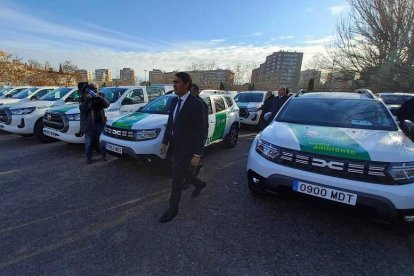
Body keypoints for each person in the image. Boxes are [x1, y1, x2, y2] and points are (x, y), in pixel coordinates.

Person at [159, 72, 207, 223]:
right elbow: (171, 123)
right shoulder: (174, 102)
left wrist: (197, 154)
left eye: (177, 82)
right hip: (175, 144)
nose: (174, 84)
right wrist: (164, 142)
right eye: (173, 82)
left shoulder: (196, 104)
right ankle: (199, 184)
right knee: (178, 170)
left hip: (188, 148)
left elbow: (201, 130)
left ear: (187, 84)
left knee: (176, 178)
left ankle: (173, 210)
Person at [79, 82, 110, 164]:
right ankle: (89, 158)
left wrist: (99, 97)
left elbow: (107, 105)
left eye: (97, 89)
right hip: (89, 124)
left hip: (100, 122)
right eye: (94, 89)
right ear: (89, 89)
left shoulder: (100, 95)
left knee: (102, 141)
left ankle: (105, 154)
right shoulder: (84, 97)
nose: (96, 91)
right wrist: (87, 100)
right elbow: (83, 109)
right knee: (89, 142)